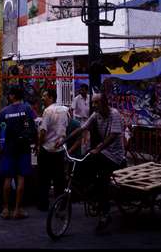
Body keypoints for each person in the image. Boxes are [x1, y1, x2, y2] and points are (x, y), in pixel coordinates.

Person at [56, 91, 126, 232]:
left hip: (115, 156)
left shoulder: (114, 114)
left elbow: (113, 135)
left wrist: (99, 147)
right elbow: (82, 129)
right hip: (102, 153)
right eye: (93, 103)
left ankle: (105, 215)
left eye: (97, 102)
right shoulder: (96, 115)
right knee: (82, 165)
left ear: (104, 102)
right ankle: (91, 194)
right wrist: (64, 140)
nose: (94, 105)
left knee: (102, 180)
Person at [0, 85, 37, 220]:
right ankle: (18, 209)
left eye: (9, 94)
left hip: (8, 149)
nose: (8, 96)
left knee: (7, 178)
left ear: (13, 96)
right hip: (23, 148)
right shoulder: (27, 109)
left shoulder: (4, 112)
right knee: (20, 179)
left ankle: (6, 209)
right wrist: (36, 143)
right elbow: (34, 127)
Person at [37, 88, 69, 211]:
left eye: (44, 95)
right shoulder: (65, 110)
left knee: (44, 179)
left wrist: (39, 145)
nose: (42, 98)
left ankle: (44, 204)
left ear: (51, 97)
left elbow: (43, 131)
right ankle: (59, 204)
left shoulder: (48, 111)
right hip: (60, 148)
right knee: (59, 179)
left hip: (47, 148)